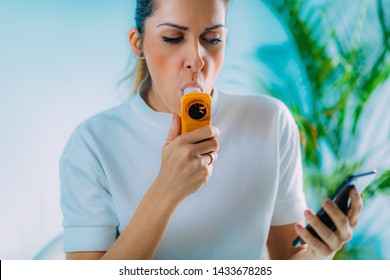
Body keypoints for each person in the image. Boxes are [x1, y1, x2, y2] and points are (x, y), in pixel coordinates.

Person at [60, 0, 363, 260]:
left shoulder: (270, 122)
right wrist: (166, 191)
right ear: (138, 43)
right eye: (172, 37)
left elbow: (287, 259)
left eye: (212, 39)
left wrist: (319, 253)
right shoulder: (92, 144)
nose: (196, 60)